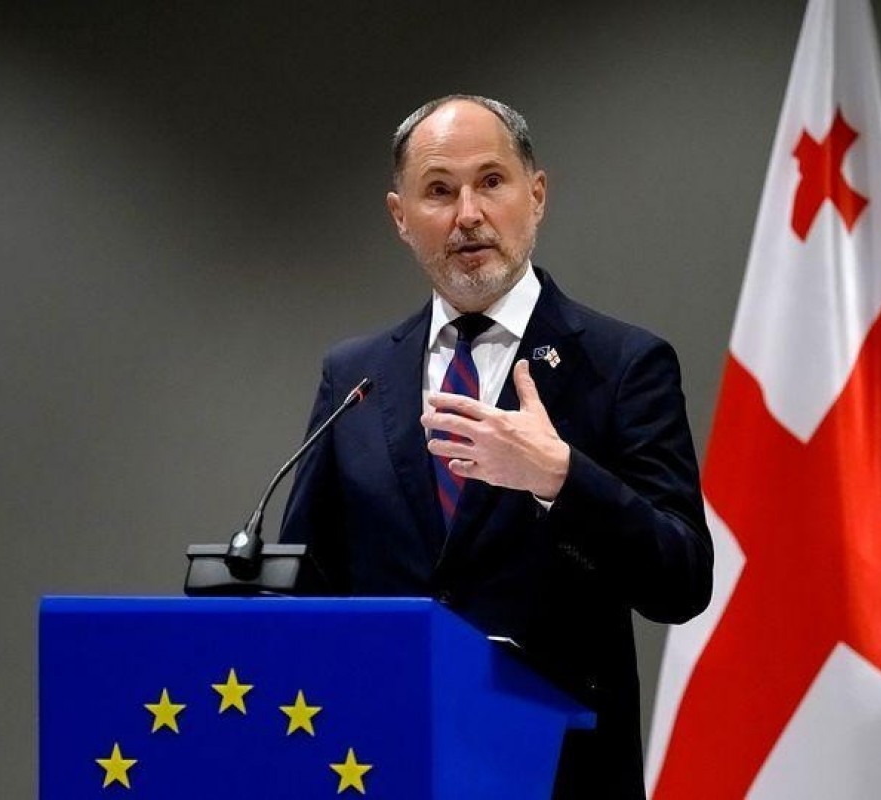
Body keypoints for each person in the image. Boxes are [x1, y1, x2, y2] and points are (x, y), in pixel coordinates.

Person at [280, 94, 712, 798]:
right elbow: (305, 585)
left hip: (559, 772)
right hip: (381, 766)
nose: (468, 214)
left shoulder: (623, 365)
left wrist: (561, 477)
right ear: (400, 217)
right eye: (439, 191)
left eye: (491, 182)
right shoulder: (355, 376)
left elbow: (682, 582)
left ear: (535, 196)